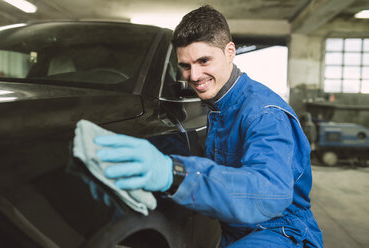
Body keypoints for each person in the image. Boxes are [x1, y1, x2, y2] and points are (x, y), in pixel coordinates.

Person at [93, 5, 323, 247]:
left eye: (204, 60)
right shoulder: (220, 107)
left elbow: (268, 194)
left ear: (230, 51)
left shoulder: (264, 114)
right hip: (236, 232)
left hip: (281, 232)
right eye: (185, 65)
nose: (193, 75)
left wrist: (174, 172)